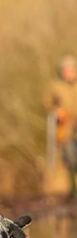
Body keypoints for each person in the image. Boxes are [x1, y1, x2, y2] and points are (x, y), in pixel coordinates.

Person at [45, 54, 77, 197]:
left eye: (70, 69)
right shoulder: (55, 86)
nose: (67, 72)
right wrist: (56, 111)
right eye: (65, 69)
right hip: (65, 127)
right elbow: (46, 102)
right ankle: (73, 189)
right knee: (70, 158)